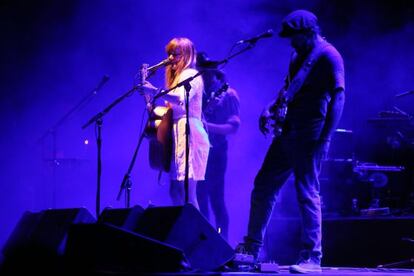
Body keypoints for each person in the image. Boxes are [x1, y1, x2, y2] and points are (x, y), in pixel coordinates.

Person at [235, 10, 345, 274]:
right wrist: (270, 107)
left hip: (311, 134)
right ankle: (251, 248)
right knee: (264, 185)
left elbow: (339, 96)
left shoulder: (329, 55)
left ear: (307, 32)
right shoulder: (298, 55)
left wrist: (326, 137)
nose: (290, 43)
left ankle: (312, 258)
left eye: (293, 37)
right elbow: (289, 87)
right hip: (288, 131)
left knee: (307, 191)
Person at [141, 37, 210, 209]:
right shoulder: (178, 78)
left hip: (190, 133)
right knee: (176, 190)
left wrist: (155, 91)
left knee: (188, 193)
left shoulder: (190, 74)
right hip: (178, 132)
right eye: (169, 54)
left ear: (186, 55)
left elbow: (180, 99)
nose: (171, 58)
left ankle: (194, 232)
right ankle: (182, 228)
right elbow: (168, 112)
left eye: (176, 54)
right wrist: (148, 99)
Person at [195, 52, 240, 241]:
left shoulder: (228, 94)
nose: (201, 73)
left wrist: (208, 126)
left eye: (205, 69)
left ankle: (222, 243)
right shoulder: (196, 92)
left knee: (216, 200)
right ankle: (203, 243)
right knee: (198, 199)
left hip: (217, 153)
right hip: (197, 151)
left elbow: (234, 127)